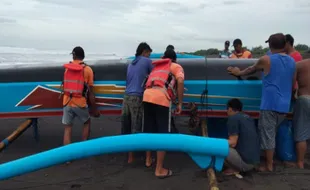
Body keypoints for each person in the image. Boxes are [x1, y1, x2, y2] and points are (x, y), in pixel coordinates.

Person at [227, 33, 296, 172]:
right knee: (272, 132)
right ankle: (269, 158)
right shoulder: (291, 61)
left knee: (267, 134)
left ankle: (269, 166)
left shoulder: (266, 59)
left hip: (270, 103)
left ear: (270, 45)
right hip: (284, 104)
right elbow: (292, 82)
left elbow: (250, 69)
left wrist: (238, 72)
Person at [142, 49, 185, 178]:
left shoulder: (157, 67)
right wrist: (180, 103)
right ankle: (159, 170)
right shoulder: (176, 66)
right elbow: (181, 81)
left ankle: (148, 160)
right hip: (161, 98)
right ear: (174, 59)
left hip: (147, 96)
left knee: (149, 130)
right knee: (163, 134)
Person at [121, 42, 153, 164]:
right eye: (148, 54)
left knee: (127, 126)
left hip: (126, 97)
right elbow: (155, 75)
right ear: (144, 52)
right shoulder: (146, 61)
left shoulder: (131, 63)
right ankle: (135, 157)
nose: (149, 57)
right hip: (137, 97)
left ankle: (129, 155)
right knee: (136, 127)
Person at [62, 46, 97, 147]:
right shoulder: (87, 70)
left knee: (68, 128)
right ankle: (83, 148)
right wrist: (94, 108)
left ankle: (67, 155)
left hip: (67, 101)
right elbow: (90, 92)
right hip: (80, 102)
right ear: (83, 56)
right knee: (86, 122)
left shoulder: (67, 69)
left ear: (74, 55)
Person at [223, 98, 260, 175]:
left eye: (227, 109)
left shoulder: (232, 119)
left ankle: (235, 168)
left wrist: (216, 143)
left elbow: (233, 143)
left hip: (245, 165)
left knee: (220, 148)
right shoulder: (248, 118)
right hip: (254, 162)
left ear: (230, 109)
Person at [293, 59, 310, 169]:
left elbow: (291, 85)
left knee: (301, 133)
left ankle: (300, 163)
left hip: (305, 99)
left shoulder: (300, 65)